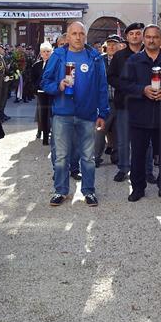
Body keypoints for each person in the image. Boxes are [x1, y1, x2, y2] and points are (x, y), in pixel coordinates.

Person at [41, 21, 109, 207]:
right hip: (62, 114)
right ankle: (60, 191)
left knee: (88, 157)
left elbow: (102, 87)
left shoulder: (94, 57)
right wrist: (59, 86)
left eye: (81, 33)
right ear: (68, 36)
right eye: (74, 34)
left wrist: (102, 113)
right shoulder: (58, 55)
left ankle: (89, 191)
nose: (78, 37)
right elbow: (45, 82)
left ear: (85, 36)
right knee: (62, 156)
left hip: (87, 114)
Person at [120, 24, 161, 203]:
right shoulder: (133, 61)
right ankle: (138, 188)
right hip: (140, 117)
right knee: (138, 154)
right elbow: (123, 85)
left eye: (155, 37)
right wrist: (141, 90)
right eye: (148, 37)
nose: (152, 40)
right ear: (144, 39)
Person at [107, 22, 155, 183]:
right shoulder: (119, 56)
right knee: (123, 140)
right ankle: (123, 168)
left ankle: (148, 171)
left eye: (138, 33)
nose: (135, 36)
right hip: (125, 104)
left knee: (147, 141)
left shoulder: (151, 54)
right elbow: (111, 77)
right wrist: (125, 86)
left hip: (146, 104)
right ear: (127, 37)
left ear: (142, 36)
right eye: (132, 34)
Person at [93, 35, 121, 167]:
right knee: (100, 130)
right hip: (104, 102)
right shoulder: (100, 60)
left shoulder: (123, 59)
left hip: (120, 101)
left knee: (117, 131)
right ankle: (96, 157)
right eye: (109, 44)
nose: (111, 46)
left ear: (119, 46)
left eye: (114, 44)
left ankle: (116, 156)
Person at [31, 40, 53, 144]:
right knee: (43, 114)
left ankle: (52, 134)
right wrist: (35, 89)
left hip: (52, 92)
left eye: (48, 51)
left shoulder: (54, 64)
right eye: (44, 51)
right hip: (41, 92)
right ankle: (44, 137)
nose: (46, 53)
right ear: (40, 53)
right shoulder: (36, 65)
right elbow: (32, 79)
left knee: (52, 114)